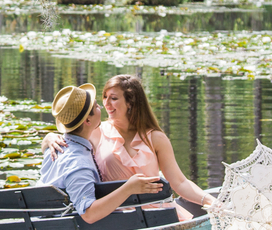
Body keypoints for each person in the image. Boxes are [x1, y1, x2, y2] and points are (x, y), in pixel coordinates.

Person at [42, 74, 217, 220]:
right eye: (104, 97)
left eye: (114, 98)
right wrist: (49, 138)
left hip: (160, 216)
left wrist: (211, 201)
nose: (106, 104)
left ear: (130, 103)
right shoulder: (96, 131)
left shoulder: (155, 138)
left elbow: (180, 182)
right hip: (117, 218)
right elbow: (72, 141)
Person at [37, 82, 163, 223]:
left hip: (43, 224)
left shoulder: (54, 147)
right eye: (96, 106)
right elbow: (89, 214)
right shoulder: (79, 165)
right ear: (88, 120)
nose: (101, 107)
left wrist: (48, 138)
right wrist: (128, 188)